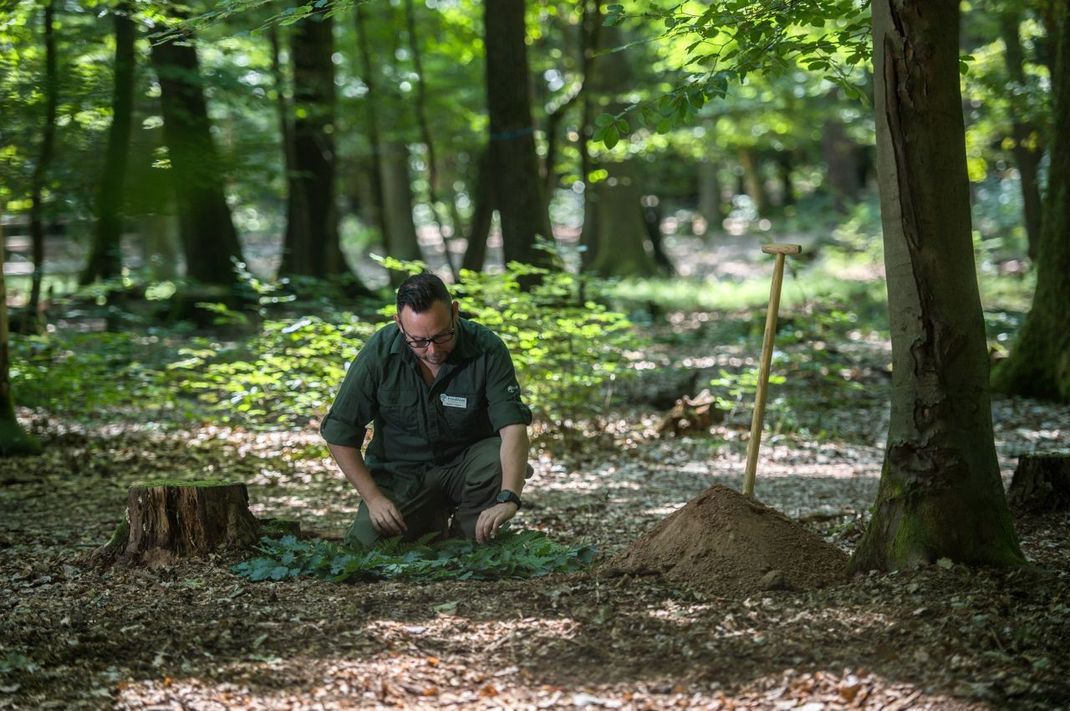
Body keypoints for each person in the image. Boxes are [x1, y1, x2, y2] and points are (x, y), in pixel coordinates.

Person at [320, 271, 532, 547]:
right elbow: (339, 434)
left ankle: (466, 543)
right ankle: (429, 522)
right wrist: (374, 499)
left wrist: (509, 497)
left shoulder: (486, 348)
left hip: (466, 469)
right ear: (399, 323)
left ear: (455, 312)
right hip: (403, 477)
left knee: (494, 459)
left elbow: (513, 426)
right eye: (418, 341)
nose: (432, 351)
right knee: (366, 549)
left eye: (442, 336)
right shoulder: (380, 353)